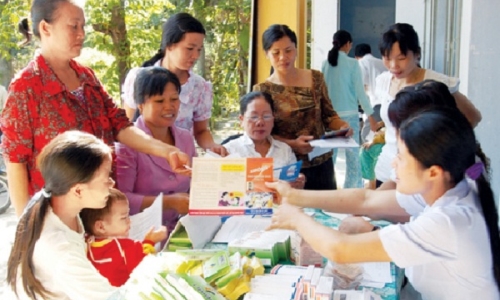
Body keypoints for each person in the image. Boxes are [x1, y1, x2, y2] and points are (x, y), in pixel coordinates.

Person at [267, 108, 500, 300]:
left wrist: (296, 217)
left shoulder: (448, 221)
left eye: (401, 157)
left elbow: (341, 248)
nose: (393, 165)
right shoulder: (450, 185)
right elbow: (366, 199)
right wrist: (293, 196)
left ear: (433, 172)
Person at [0, 0, 191, 217]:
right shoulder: (26, 87)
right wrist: (27, 224)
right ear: (46, 28)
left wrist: (167, 151)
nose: (81, 34)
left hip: (101, 212)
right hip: (57, 219)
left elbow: (119, 125)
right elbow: (15, 160)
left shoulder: (87, 77)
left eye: (83, 26)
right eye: (73, 26)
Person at [7, 131, 119, 299]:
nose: (112, 183)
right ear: (78, 190)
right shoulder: (61, 251)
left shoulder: (51, 200)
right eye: (106, 178)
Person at [374, 23, 482, 188]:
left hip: (421, 170)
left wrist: (439, 149)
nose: (393, 65)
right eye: (387, 58)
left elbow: (472, 117)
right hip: (388, 164)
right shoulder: (383, 81)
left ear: (417, 54)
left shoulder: (435, 83)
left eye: (401, 58)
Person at [253, 24, 351, 190]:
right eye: (276, 53)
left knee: (326, 213)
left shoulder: (315, 78)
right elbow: (261, 134)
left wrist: (342, 126)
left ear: (296, 49)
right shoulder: (262, 90)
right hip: (285, 167)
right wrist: (292, 144)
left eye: (288, 50)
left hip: (321, 163)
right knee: (292, 213)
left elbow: (329, 115)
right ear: (266, 54)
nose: (283, 57)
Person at [122, 12, 226, 156]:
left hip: (181, 160)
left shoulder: (200, 87)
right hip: (144, 158)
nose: (195, 56)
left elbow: (201, 131)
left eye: (199, 50)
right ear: (169, 45)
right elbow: (125, 124)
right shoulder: (138, 77)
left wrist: (212, 146)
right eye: (190, 48)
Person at [116, 67, 195, 232]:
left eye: (174, 99)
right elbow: (121, 199)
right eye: (159, 101)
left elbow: (196, 184)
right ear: (141, 105)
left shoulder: (186, 138)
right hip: (141, 234)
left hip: (182, 230)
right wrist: (167, 202)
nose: (169, 107)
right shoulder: (129, 143)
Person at [321, 30, 377, 189]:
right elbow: (360, 93)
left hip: (330, 118)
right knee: (352, 159)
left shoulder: (325, 64)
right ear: (347, 44)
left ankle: (327, 189)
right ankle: (352, 191)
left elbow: (322, 92)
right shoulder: (353, 64)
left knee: (329, 157)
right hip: (350, 117)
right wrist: (371, 116)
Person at [80, 188, 167, 287]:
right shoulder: (125, 247)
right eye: (124, 217)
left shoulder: (84, 244)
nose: (129, 221)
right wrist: (150, 241)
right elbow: (145, 266)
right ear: (101, 226)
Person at [223, 91, 305, 188]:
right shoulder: (229, 150)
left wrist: (298, 182)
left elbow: (293, 189)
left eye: (266, 116)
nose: (260, 122)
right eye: (254, 117)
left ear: (273, 120)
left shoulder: (285, 150)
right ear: (242, 120)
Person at [354, 43, 386, 142]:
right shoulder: (382, 62)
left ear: (356, 57)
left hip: (376, 104)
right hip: (390, 103)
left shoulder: (361, 63)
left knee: (367, 136)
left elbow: (361, 89)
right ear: (370, 52)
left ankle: (371, 157)